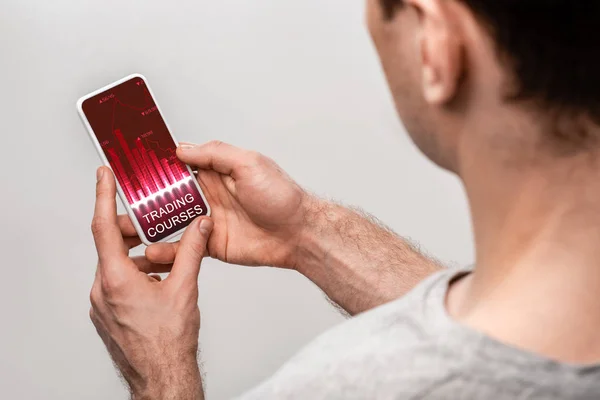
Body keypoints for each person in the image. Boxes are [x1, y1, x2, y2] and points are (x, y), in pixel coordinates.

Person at [88, 0, 600, 398]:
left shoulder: (345, 389)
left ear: (436, 45)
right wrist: (304, 230)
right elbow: (505, 347)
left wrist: (160, 372)